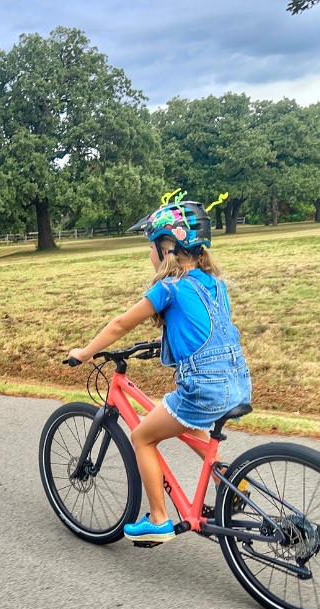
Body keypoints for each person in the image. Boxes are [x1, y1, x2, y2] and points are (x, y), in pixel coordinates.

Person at [67, 194, 252, 544]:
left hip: (204, 387)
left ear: (167, 248)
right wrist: (161, 345)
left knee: (142, 437)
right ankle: (228, 478)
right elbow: (203, 331)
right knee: (191, 426)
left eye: (151, 246)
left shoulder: (169, 287)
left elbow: (121, 324)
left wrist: (86, 352)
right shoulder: (216, 285)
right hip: (237, 382)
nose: (148, 255)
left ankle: (158, 518)